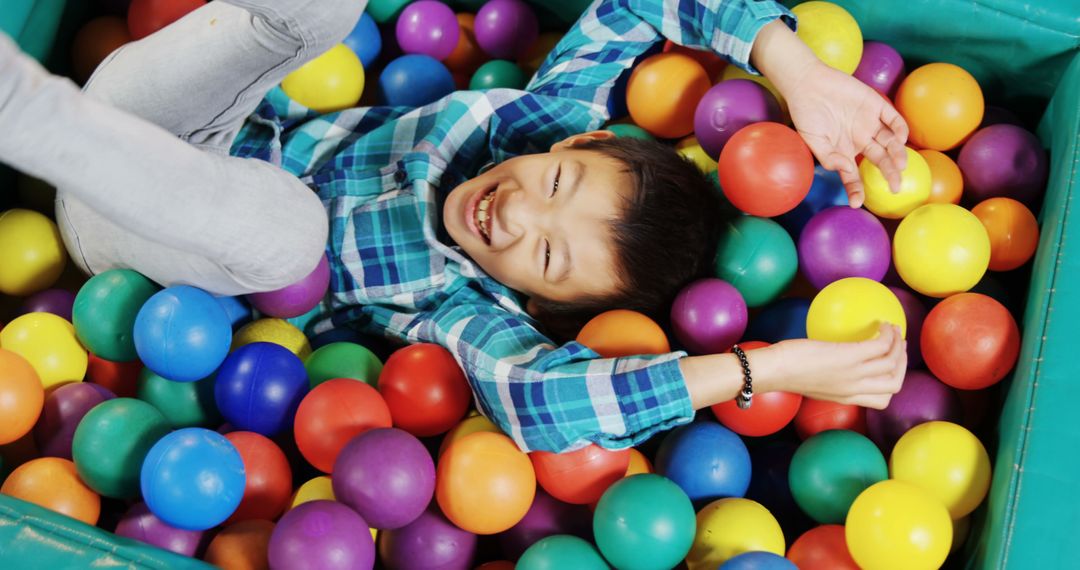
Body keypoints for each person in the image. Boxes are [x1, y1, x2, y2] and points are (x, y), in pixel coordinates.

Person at [0, 0, 908, 453]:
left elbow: (551, 405)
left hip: (133, 239)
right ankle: (40, 114)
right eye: (555, 182)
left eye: (547, 255)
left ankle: (25, 114)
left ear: (541, 303)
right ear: (581, 138)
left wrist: (770, 368)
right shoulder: (538, 116)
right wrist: (798, 71)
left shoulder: (466, 311)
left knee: (289, 238)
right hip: (167, 110)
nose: (516, 211)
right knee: (325, 9)